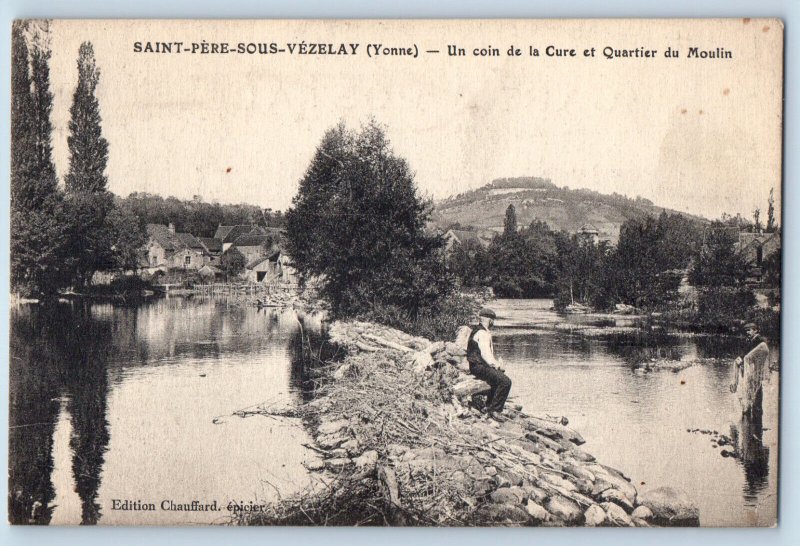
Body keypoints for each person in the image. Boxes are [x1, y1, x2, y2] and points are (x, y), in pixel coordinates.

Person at [467, 307, 512, 420]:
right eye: (492, 320)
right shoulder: (482, 333)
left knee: (497, 380)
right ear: (489, 320)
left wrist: (495, 365)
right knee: (505, 382)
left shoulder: (478, 330)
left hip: (476, 366)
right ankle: (495, 410)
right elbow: (485, 354)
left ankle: (488, 406)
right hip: (479, 366)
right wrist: (497, 365)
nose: (493, 323)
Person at [730, 323, 770, 420]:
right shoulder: (749, 340)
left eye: (749, 330)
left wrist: (746, 358)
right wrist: (741, 358)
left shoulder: (761, 341)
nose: (747, 332)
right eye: (746, 331)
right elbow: (746, 354)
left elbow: (763, 352)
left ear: (755, 330)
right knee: (748, 391)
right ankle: (748, 417)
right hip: (748, 371)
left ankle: (757, 421)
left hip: (756, 371)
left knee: (756, 393)